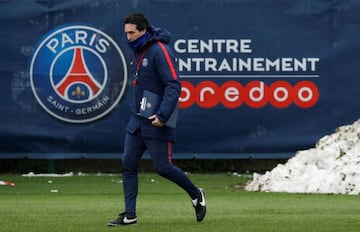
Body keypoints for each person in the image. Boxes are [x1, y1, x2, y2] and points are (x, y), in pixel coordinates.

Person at [107, 13, 206, 226]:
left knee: (163, 168)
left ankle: (196, 193)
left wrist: (162, 114)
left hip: (157, 119)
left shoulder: (160, 51)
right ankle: (130, 215)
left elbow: (174, 84)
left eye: (132, 32)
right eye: (126, 33)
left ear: (144, 30)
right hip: (138, 119)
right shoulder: (138, 50)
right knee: (128, 163)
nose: (128, 37)